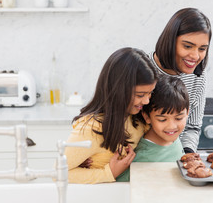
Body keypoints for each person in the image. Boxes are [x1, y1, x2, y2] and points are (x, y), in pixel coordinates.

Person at [64, 47, 158, 184]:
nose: (146, 101)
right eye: (140, 95)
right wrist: (109, 173)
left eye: (150, 93)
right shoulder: (92, 128)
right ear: (119, 91)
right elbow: (59, 173)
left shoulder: (137, 118)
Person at [149, 8, 212, 153]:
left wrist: (187, 156)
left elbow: (192, 127)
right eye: (187, 46)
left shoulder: (198, 76)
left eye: (202, 49)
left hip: (177, 158)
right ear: (171, 41)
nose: (195, 56)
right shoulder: (143, 68)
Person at [116, 75, 190, 182]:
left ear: (187, 113)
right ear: (147, 117)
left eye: (178, 118)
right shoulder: (143, 157)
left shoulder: (173, 138)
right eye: (162, 120)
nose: (172, 126)